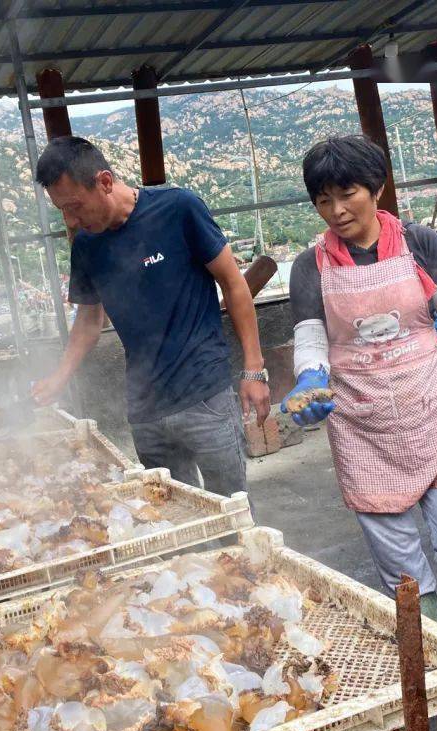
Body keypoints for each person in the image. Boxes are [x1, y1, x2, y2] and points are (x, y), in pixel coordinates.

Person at [284, 135, 437, 630]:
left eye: (346, 193)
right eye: (322, 200)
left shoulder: (420, 243)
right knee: (401, 569)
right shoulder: (310, 266)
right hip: (362, 425)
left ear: (376, 188)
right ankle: (433, 630)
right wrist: (309, 378)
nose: (335, 210)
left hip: (435, 406)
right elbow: (310, 339)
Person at [30, 136, 271, 499]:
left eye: (75, 207)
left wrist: (253, 370)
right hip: (146, 412)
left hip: (206, 396)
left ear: (105, 182)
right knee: (171, 517)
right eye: (62, 210)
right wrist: (59, 377)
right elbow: (88, 321)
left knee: (231, 512)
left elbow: (234, 285)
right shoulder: (86, 244)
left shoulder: (178, 209)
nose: (71, 219)